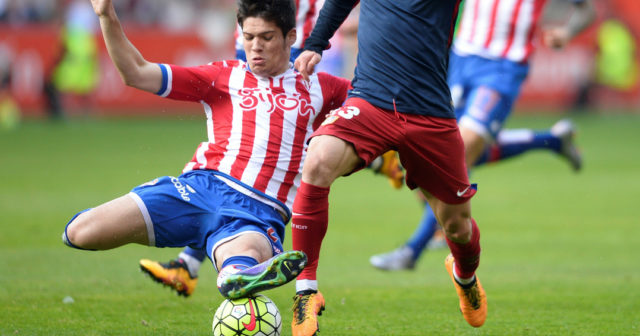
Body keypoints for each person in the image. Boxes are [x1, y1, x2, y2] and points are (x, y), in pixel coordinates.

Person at [63, 0, 355, 301]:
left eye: (266, 38)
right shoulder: (223, 75)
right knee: (79, 232)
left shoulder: (323, 88)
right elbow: (136, 73)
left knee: (239, 264)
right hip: (195, 190)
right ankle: (227, 269)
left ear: (291, 37)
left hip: (257, 212)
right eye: (248, 36)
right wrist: (107, 15)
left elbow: (374, 104)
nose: (255, 47)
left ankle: (239, 274)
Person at [137, 0, 404, 298]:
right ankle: (189, 264)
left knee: (280, 153)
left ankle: (380, 158)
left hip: (295, 57)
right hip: (259, 52)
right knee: (233, 160)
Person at [288, 0, 487, 333]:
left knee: (458, 228)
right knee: (318, 159)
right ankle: (306, 291)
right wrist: (316, 43)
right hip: (370, 101)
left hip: (430, 113)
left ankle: (464, 276)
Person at [370, 0, 596, 272]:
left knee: (463, 149)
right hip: (461, 60)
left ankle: (411, 251)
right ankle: (554, 141)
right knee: (437, 148)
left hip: (503, 67)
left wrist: (567, 33)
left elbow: (587, 10)